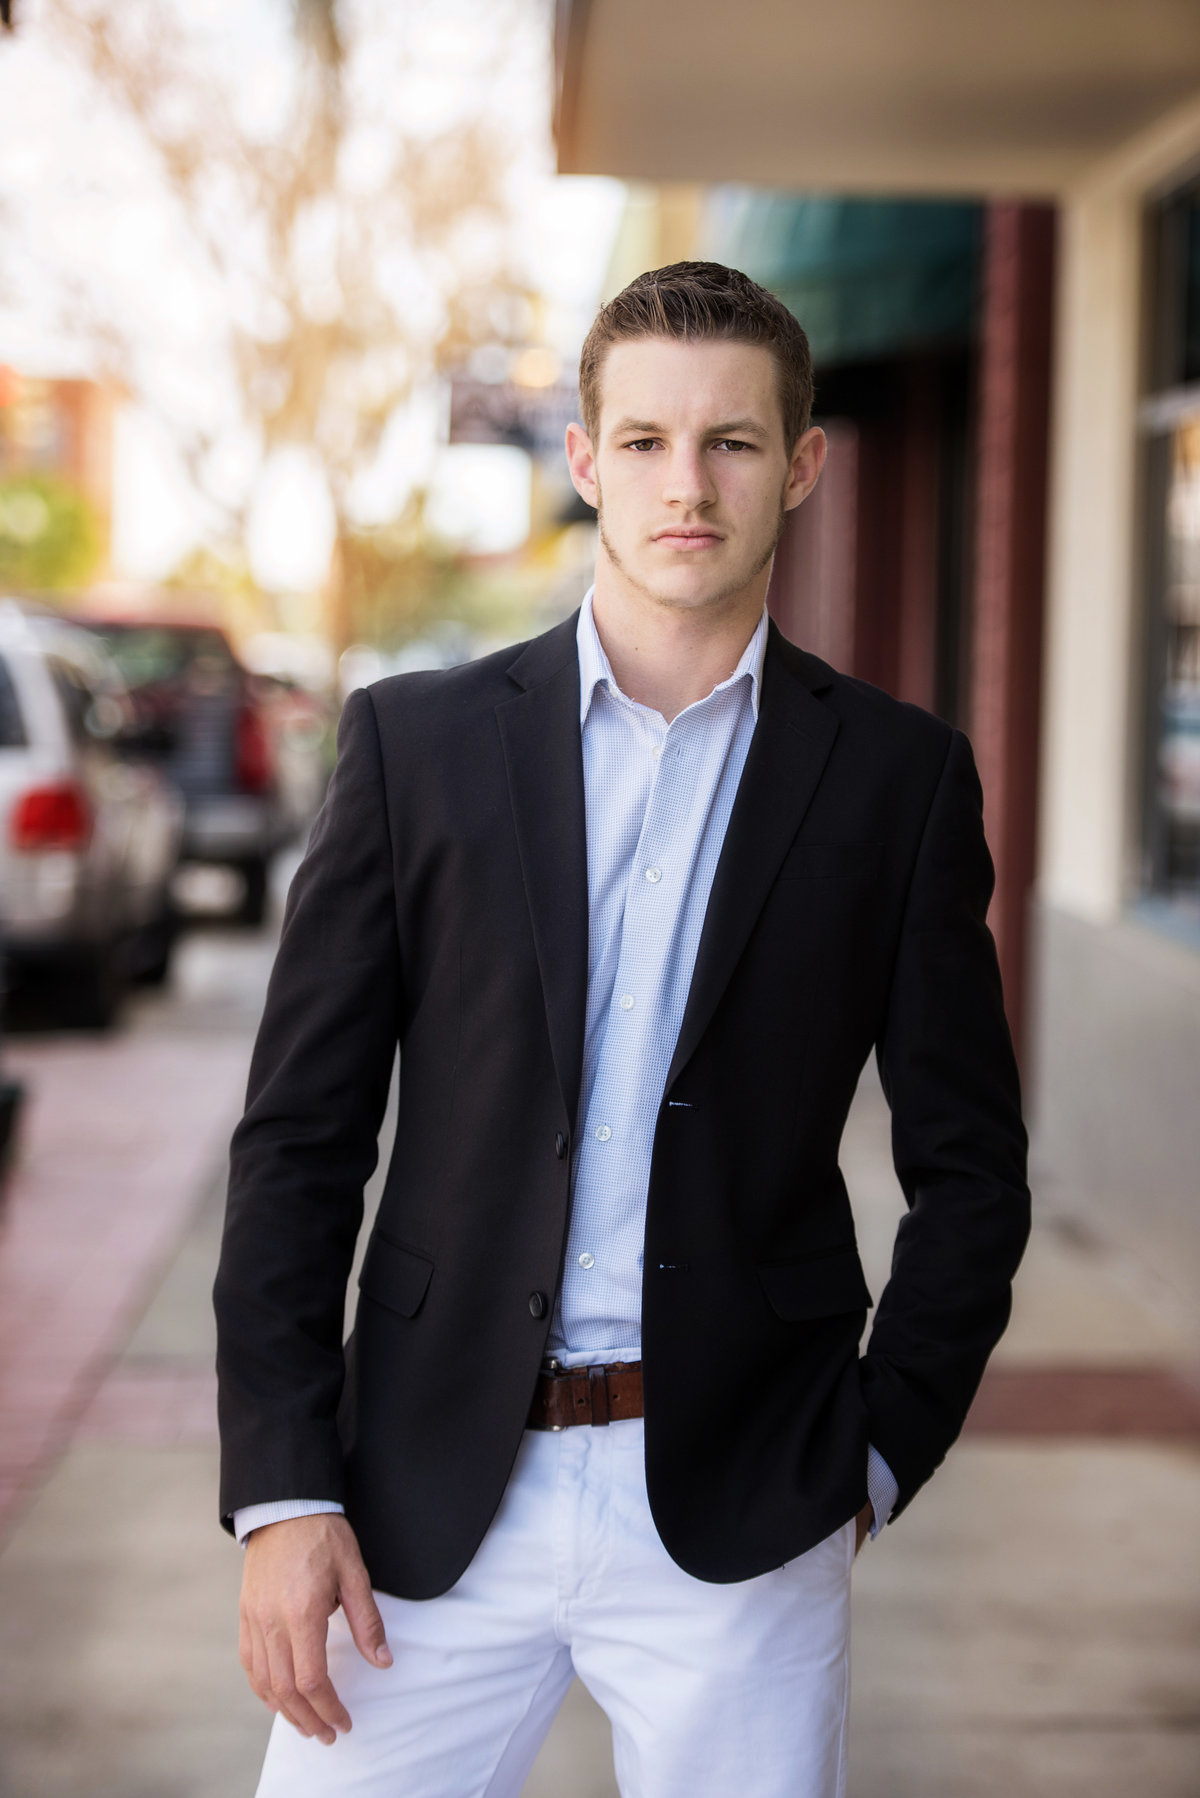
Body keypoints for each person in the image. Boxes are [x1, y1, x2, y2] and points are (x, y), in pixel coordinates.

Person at [214, 261, 1030, 1798]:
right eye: (645, 442)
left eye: (732, 442)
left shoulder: (897, 783)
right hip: (426, 1492)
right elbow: (300, 1138)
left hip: (743, 1497)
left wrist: (873, 1450)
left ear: (801, 464)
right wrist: (279, 1488)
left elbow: (972, 1167)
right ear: (584, 460)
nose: (688, 485)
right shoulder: (419, 747)